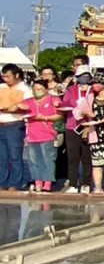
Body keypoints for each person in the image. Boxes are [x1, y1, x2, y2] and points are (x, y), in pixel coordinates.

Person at [22, 80, 60, 192]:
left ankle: (47, 183)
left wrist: (45, 118)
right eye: (34, 89)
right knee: (34, 160)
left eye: (39, 89)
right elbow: (18, 106)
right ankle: (37, 182)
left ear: (46, 90)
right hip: (32, 135)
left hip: (47, 134)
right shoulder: (29, 101)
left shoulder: (53, 99)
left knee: (47, 159)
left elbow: (59, 114)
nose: (36, 91)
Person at [0, 64, 32, 193]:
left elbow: (27, 106)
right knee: (2, 157)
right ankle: (2, 182)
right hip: (1, 124)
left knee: (15, 156)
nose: (6, 79)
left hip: (15, 124)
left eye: (8, 76)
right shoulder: (1, 87)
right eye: (3, 77)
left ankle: (15, 183)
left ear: (16, 75)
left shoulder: (25, 89)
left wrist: (11, 108)